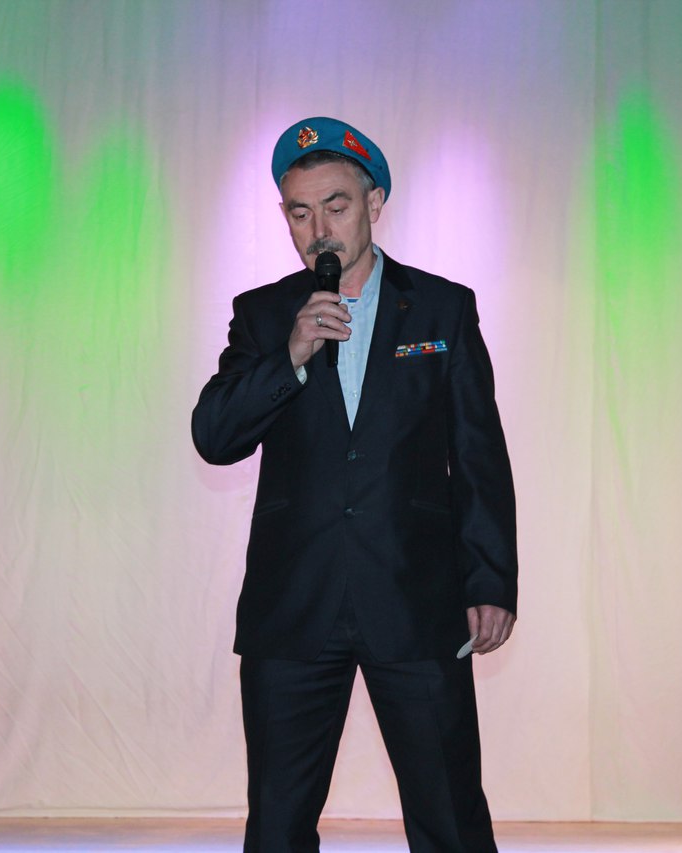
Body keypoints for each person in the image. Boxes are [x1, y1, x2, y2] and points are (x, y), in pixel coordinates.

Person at [192, 116, 518, 853]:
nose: (319, 231)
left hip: (415, 598)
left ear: (374, 204)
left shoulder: (441, 308)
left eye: (335, 206)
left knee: (450, 816)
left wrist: (490, 578)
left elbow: (478, 456)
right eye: (300, 213)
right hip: (294, 605)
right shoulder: (265, 315)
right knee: (277, 826)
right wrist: (291, 354)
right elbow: (214, 436)